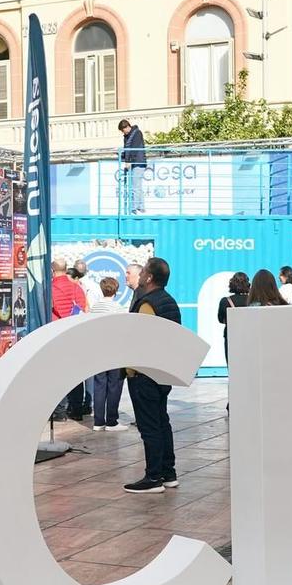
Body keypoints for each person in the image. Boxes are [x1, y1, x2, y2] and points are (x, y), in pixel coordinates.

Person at [124, 258, 181, 491]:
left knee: (149, 427)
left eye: (143, 271)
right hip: (163, 371)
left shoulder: (147, 303)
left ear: (148, 277)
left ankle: (153, 477)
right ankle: (169, 473)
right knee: (162, 422)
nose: (140, 276)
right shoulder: (169, 301)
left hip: (145, 374)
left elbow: (140, 338)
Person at [85, 276, 129, 430]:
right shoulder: (118, 308)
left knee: (99, 385)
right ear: (116, 290)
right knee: (114, 386)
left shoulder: (95, 308)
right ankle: (111, 421)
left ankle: (98, 422)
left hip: (98, 351)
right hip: (115, 351)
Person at [50, 259, 90, 421]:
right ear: (67, 269)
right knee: (76, 373)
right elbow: (85, 309)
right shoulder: (76, 287)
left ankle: (60, 411)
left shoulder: (50, 288)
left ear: (52, 270)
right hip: (75, 333)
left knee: (58, 373)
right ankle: (77, 409)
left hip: (56, 333)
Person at [215, 271, 252, 363]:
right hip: (250, 336)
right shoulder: (252, 300)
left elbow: (220, 319)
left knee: (232, 365)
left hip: (231, 336)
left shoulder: (225, 301)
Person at [118, 117, 147, 213]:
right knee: (136, 185)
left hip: (138, 162)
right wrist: (121, 155)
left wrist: (128, 161)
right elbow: (127, 150)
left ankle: (134, 207)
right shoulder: (126, 136)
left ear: (127, 127)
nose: (123, 132)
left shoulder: (137, 133)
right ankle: (141, 207)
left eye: (123, 130)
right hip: (133, 162)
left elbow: (134, 149)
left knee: (135, 186)